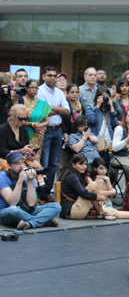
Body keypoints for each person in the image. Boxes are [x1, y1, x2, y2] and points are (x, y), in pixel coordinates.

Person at [60, 154, 129, 220]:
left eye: (85, 164)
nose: (84, 167)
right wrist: (101, 197)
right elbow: (84, 193)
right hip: (72, 211)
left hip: (79, 209)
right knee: (93, 185)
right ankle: (101, 212)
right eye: (81, 164)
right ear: (73, 165)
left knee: (111, 212)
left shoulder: (81, 176)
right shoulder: (72, 177)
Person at [0, 151, 61, 230]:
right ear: (9, 165)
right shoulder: (2, 177)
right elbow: (12, 203)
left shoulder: (28, 175)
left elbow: (31, 203)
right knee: (13, 210)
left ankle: (30, 223)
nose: (21, 166)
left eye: (22, 162)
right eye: (17, 163)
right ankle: (42, 221)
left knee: (56, 206)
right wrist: (20, 181)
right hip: (7, 211)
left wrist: (30, 181)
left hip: (25, 209)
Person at [36, 66, 70, 203]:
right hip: (45, 130)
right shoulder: (39, 91)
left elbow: (67, 110)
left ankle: (46, 192)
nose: (52, 78)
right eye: (50, 75)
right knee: (43, 163)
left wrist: (50, 107)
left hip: (58, 130)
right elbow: (43, 112)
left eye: (54, 75)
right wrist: (57, 109)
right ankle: (39, 193)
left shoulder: (59, 92)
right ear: (43, 76)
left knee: (54, 163)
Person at [23, 80, 51, 164]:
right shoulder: (21, 101)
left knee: (34, 159)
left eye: (36, 88)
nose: (34, 90)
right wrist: (32, 124)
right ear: (26, 88)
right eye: (32, 87)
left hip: (37, 136)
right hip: (24, 134)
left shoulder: (41, 103)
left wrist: (39, 125)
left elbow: (47, 121)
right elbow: (18, 121)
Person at [87, 87, 118, 151]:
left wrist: (111, 107)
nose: (105, 98)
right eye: (103, 96)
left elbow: (115, 123)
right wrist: (97, 106)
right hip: (96, 140)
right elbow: (92, 120)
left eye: (107, 96)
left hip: (108, 141)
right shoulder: (91, 107)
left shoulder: (109, 109)